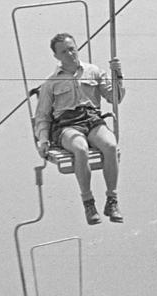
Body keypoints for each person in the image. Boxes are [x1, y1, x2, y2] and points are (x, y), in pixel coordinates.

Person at [33, 32, 124, 225]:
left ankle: (112, 200)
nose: (70, 54)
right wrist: (42, 140)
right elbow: (42, 115)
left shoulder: (93, 71)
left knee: (110, 145)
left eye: (72, 49)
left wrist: (118, 75)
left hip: (91, 119)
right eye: (64, 51)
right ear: (57, 56)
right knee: (80, 149)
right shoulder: (51, 83)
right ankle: (88, 202)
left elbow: (115, 98)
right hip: (67, 124)